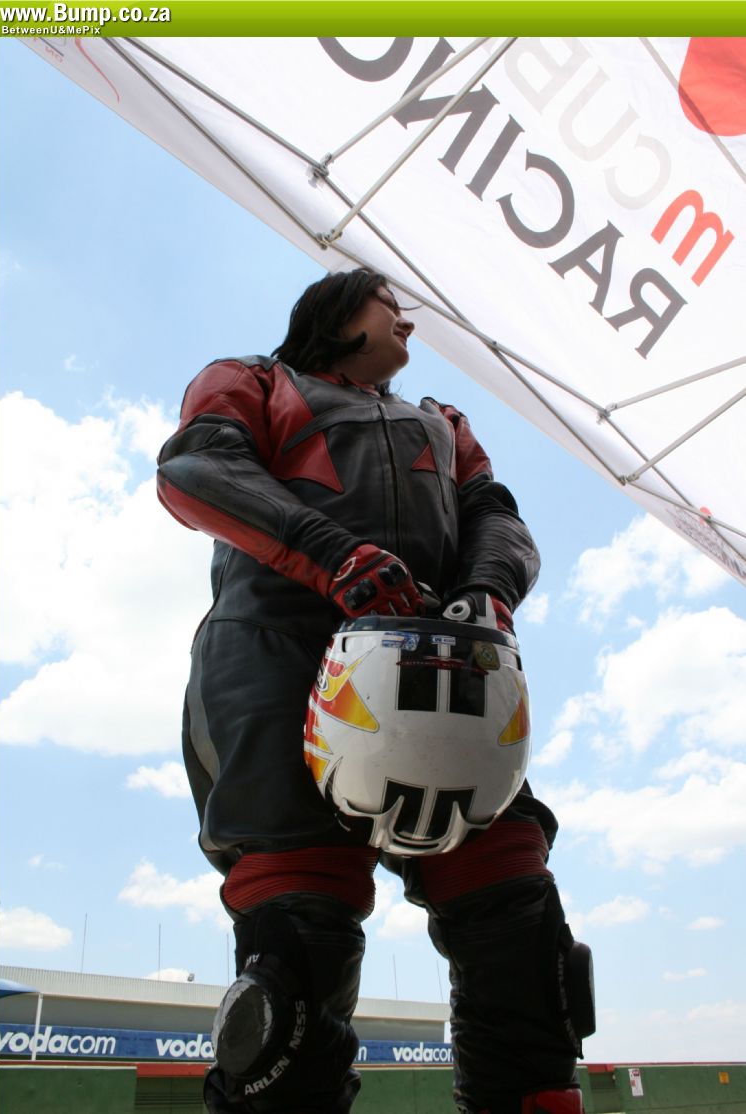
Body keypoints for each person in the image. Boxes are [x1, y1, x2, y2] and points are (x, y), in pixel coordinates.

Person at [156, 268, 595, 1114]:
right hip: (274, 658)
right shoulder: (249, 381)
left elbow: (498, 517)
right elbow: (195, 470)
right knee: (294, 943)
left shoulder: (445, 422)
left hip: (445, 666)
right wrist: (333, 555)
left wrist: (490, 589)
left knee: (516, 915)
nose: (408, 324)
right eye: (391, 306)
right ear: (336, 311)